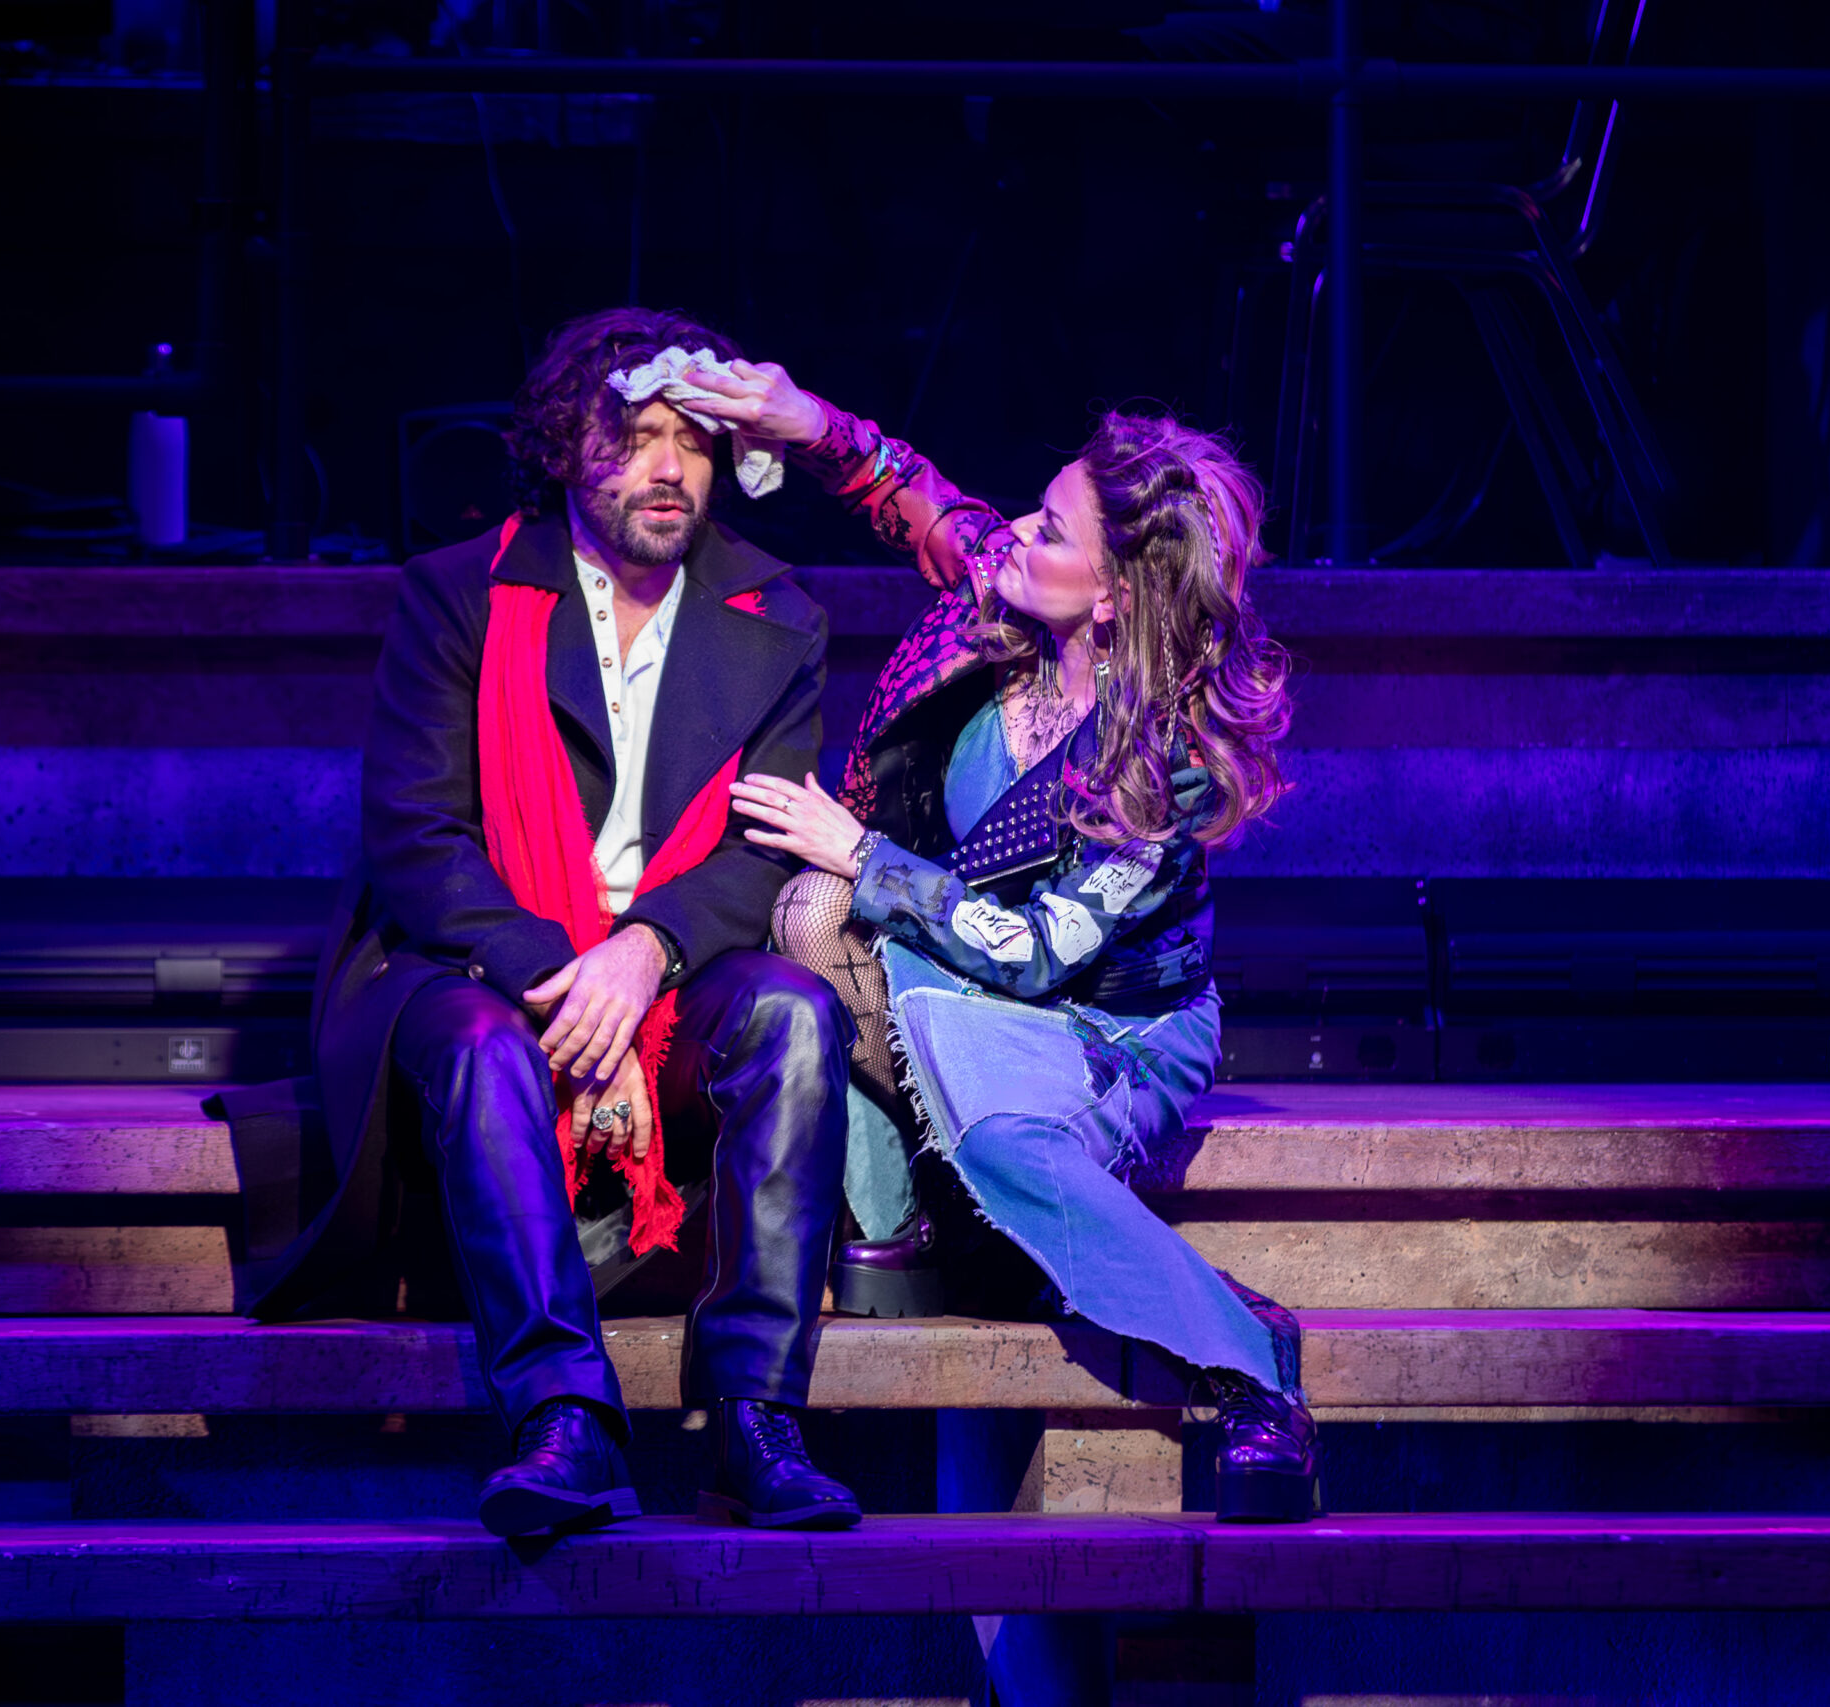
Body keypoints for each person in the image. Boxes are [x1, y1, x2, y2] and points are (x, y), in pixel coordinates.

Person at [253, 308, 862, 1538]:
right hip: (481, 958)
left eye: (692, 441)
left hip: (673, 961)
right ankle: (562, 1415)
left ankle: (756, 1418)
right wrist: (566, 976)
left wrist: (642, 955)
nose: (667, 469)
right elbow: (417, 837)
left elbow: (762, 845)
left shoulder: (776, 613)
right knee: (482, 1046)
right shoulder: (460, 594)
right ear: (559, 446)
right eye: (633, 438)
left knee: (797, 1016)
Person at [699, 363, 1323, 1522]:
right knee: (806, 917)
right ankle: (899, 1228)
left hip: (1107, 1028)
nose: (1015, 535)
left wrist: (865, 856)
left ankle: (1249, 1363)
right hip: (964, 963)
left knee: (1003, 1142)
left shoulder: (1165, 767)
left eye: (1049, 530)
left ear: (1114, 598)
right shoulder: (1005, 603)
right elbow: (919, 500)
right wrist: (806, 421)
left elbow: (1040, 953)